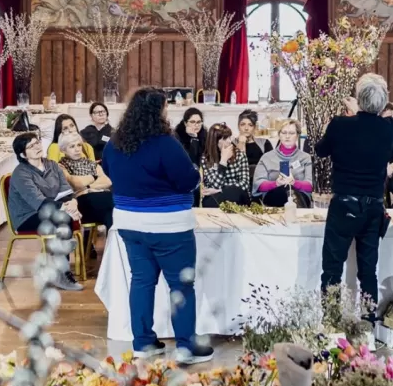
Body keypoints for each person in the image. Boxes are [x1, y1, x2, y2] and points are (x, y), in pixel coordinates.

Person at [101, 86, 212, 365]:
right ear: (157, 112)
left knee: (141, 281)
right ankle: (186, 347)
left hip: (129, 223)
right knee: (181, 285)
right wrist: (196, 177)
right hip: (169, 225)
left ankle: (143, 342)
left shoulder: (115, 142)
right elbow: (187, 180)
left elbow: (106, 168)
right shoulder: (165, 142)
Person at [314, 73, 393, 311]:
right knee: (368, 270)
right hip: (373, 205)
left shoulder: (339, 124)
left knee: (333, 267)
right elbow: (372, 128)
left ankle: (331, 321)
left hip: (344, 202)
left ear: (358, 99)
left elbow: (320, 150)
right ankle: (368, 323)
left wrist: (346, 118)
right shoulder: (389, 129)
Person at [6, 131, 85, 291]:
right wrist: (67, 209)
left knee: (66, 214)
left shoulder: (52, 165)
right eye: (31, 146)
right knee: (62, 217)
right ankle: (62, 273)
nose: (37, 147)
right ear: (23, 154)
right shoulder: (21, 173)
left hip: (54, 210)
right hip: (27, 216)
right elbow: (38, 202)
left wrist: (74, 203)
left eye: (37, 142)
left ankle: (60, 269)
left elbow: (66, 190)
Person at [58, 131, 114, 234]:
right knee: (113, 202)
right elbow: (76, 183)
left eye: (79, 145)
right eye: (72, 146)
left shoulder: (90, 163)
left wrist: (88, 187)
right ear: (63, 149)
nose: (77, 149)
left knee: (111, 215)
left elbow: (107, 181)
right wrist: (94, 176)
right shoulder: (61, 166)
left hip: (99, 201)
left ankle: (111, 248)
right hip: (78, 203)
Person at [253, 119, 313, 207]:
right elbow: (258, 185)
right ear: (279, 135)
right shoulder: (266, 157)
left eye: (291, 133)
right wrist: (276, 183)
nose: (287, 136)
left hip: (301, 197)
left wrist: (294, 182)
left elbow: (310, 185)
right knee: (284, 189)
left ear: (297, 136)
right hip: (274, 196)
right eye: (284, 133)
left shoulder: (305, 158)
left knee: (291, 190)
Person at [200, 123, 251, 206]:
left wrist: (220, 190)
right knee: (210, 201)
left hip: (238, 195)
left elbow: (244, 184)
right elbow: (214, 184)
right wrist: (223, 161)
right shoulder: (206, 158)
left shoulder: (240, 155)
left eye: (229, 137)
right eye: (225, 138)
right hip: (215, 196)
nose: (229, 141)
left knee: (235, 192)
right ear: (215, 142)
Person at [238, 109, 271, 174]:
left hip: (261, 180)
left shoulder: (264, 143)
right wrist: (241, 143)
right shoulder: (232, 144)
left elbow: (270, 166)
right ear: (238, 126)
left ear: (255, 127)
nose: (246, 128)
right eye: (243, 124)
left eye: (250, 125)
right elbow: (236, 169)